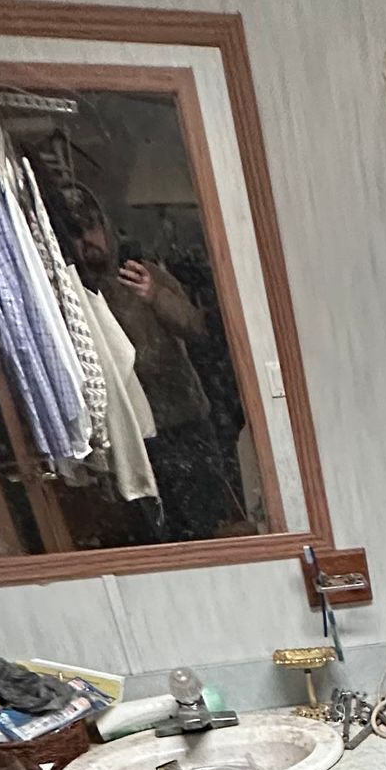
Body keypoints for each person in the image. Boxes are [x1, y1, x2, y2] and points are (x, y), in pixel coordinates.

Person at [70, 194, 244, 542]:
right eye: (77, 232)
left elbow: (196, 328)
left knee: (208, 519)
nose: (88, 240)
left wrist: (155, 296)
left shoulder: (147, 274)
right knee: (159, 531)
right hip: (129, 432)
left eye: (92, 227)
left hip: (183, 417)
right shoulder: (75, 293)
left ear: (106, 227)